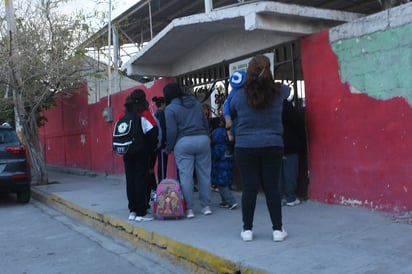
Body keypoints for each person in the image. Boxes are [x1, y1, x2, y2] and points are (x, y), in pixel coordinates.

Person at [229, 55, 291, 242]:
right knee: (272, 188)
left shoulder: (239, 95)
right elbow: (288, 90)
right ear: (268, 71)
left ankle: (247, 230)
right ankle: (277, 230)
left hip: (245, 146)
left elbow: (232, 110)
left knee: (249, 188)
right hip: (272, 144)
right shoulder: (279, 92)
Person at [163, 82, 212, 219]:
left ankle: (189, 209)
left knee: (186, 176)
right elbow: (205, 121)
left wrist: (169, 147)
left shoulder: (171, 108)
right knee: (204, 174)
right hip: (202, 140)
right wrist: (205, 135)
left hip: (183, 142)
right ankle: (206, 206)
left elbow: (172, 131)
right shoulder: (196, 103)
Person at [120, 89, 159, 222]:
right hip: (141, 152)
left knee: (130, 180)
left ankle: (133, 210)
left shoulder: (123, 115)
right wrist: (151, 149)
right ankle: (142, 212)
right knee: (141, 180)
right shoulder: (144, 114)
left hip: (127, 152)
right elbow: (153, 134)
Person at [280, 98, 306, 206]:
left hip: (274, 143)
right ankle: (290, 197)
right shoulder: (286, 105)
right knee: (290, 171)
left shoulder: (268, 104)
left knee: (277, 173)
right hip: (289, 144)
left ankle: (279, 197)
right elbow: (297, 123)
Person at [210, 117, 238, 209]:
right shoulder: (226, 141)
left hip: (219, 167)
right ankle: (225, 201)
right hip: (227, 165)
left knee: (222, 185)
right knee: (223, 184)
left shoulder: (217, 145)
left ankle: (231, 201)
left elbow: (215, 156)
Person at [223, 70, 246, 157]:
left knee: (232, 133)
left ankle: (230, 147)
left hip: (237, 123)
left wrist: (227, 118)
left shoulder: (232, 94)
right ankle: (230, 146)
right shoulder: (250, 92)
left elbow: (226, 106)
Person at [152, 96, 168, 182]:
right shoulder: (161, 114)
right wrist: (165, 141)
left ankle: (161, 181)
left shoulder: (156, 113)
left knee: (161, 164)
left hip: (159, 142)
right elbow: (163, 129)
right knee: (162, 164)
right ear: (162, 104)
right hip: (162, 143)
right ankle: (162, 182)